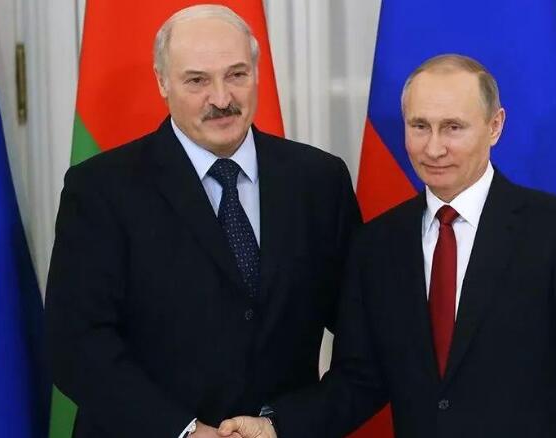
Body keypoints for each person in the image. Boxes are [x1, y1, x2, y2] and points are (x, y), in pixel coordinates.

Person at [219, 54, 556, 438]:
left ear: (495, 126)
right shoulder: (377, 245)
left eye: (453, 127)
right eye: (419, 126)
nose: (433, 148)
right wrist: (274, 427)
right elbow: (360, 380)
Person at [44, 5, 360, 437]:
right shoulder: (101, 189)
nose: (222, 99)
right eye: (197, 80)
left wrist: (283, 426)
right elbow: (76, 345)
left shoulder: (319, 181)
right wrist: (185, 432)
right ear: (162, 82)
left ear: (256, 72)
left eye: (236, 75)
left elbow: (364, 337)